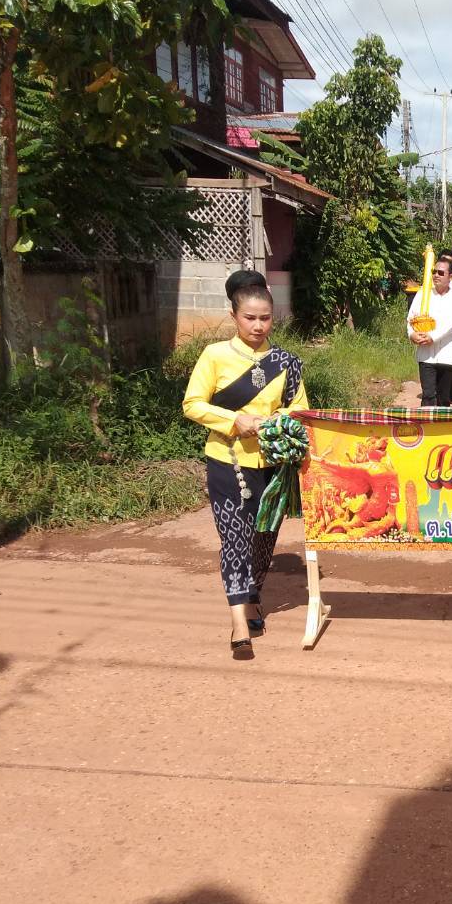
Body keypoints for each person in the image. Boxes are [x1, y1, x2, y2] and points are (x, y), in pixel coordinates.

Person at [182, 269, 309, 660]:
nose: (258, 326)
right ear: (234, 316)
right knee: (235, 538)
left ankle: (253, 597)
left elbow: (300, 408)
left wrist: (276, 421)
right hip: (228, 460)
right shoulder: (215, 356)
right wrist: (234, 420)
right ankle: (239, 622)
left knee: (264, 537)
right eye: (249, 318)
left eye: (265, 318)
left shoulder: (287, 362)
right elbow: (192, 404)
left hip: (273, 464)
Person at [407, 251, 452, 406]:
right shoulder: (423, 293)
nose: (436, 275)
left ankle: (442, 422)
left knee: (443, 399)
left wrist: (432, 337)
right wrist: (412, 334)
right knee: (428, 396)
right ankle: (426, 422)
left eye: (441, 273)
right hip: (426, 355)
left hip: (447, 355)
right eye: (434, 272)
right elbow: (412, 318)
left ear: (450, 277)